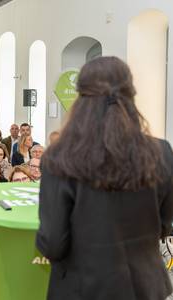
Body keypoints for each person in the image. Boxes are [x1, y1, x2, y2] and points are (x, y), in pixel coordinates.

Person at [36, 56, 173, 300]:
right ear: (130, 95)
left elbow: (53, 243)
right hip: (144, 287)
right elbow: (164, 225)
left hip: (83, 288)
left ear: (81, 99)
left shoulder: (60, 159)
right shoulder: (160, 151)